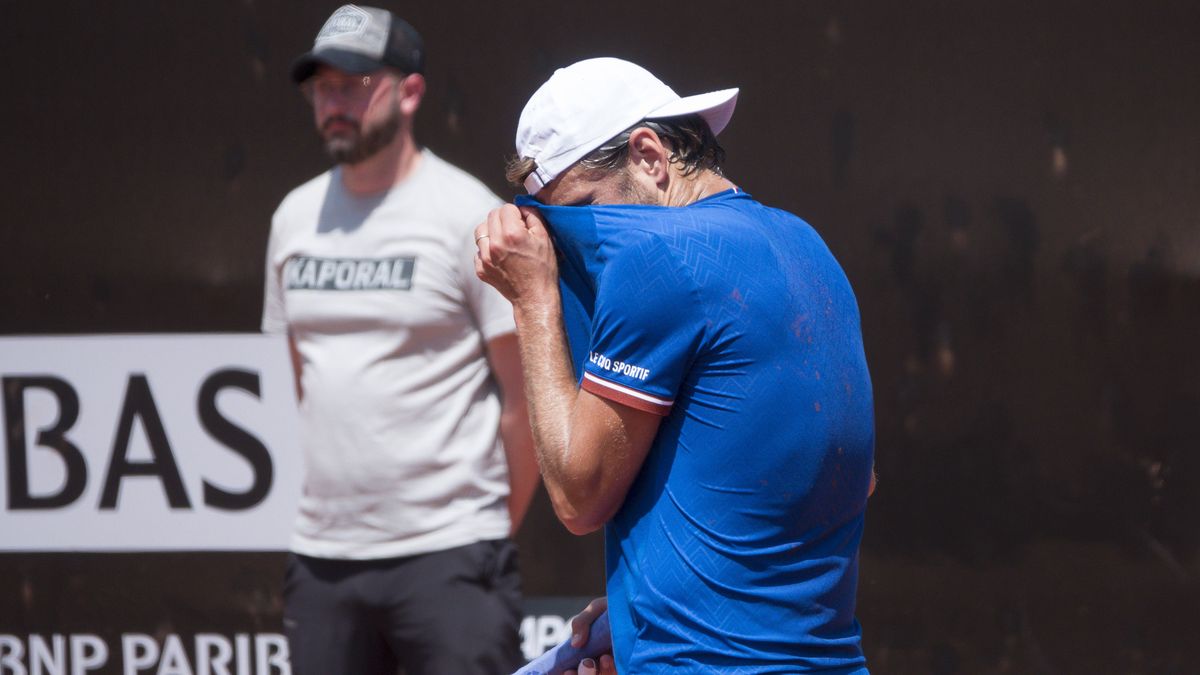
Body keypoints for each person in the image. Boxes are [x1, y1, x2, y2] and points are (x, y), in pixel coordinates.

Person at [476, 57, 876, 673]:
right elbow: (851, 476)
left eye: (585, 209)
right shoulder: (807, 243)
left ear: (650, 157)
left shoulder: (660, 256)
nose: (582, 241)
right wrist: (644, 604)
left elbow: (579, 499)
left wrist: (534, 300)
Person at [261, 6, 537, 674]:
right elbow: (302, 379)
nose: (333, 103)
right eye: (321, 86)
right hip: (324, 560)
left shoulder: (465, 213)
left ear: (410, 92)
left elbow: (524, 399)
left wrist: (487, 534)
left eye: (353, 84)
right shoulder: (294, 218)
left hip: (451, 557)